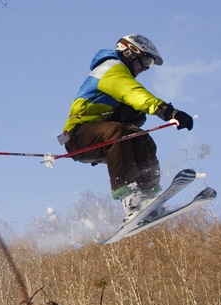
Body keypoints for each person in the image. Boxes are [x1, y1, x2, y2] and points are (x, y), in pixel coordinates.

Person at [60, 34, 194, 222]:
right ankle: (130, 198)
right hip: (77, 135)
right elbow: (132, 92)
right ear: (130, 53)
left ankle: (147, 196)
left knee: (141, 137)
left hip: (97, 131)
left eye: (149, 65)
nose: (145, 69)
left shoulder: (118, 71)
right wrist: (168, 111)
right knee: (121, 134)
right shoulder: (111, 68)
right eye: (146, 61)